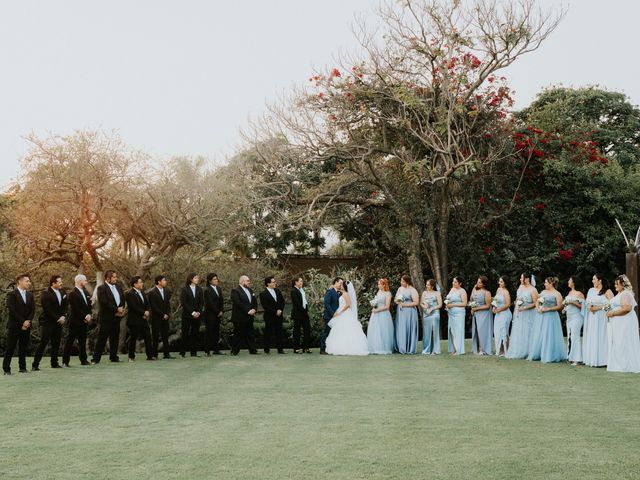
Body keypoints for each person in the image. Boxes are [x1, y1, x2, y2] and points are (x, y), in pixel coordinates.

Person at [527, 277, 567, 363]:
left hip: (551, 316)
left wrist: (548, 309)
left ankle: (549, 354)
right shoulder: (543, 292)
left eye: (546, 283)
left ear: (551, 283)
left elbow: (560, 306)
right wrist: (538, 308)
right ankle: (538, 353)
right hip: (541, 316)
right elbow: (537, 301)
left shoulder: (557, 294)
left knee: (549, 334)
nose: (544, 284)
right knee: (540, 333)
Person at [32, 275, 68, 370]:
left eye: (61, 281)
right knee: (43, 342)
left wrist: (63, 316)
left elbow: (65, 306)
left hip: (59, 322)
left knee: (56, 343)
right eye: (59, 282)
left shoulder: (63, 292)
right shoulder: (45, 293)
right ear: (53, 283)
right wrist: (58, 318)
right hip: (48, 322)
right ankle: (35, 364)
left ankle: (54, 363)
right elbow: (47, 309)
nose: (61, 283)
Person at [606, 274, 640, 373]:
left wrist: (612, 313)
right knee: (619, 342)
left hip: (625, 321)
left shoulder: (625, 294)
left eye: (617, 284)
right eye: (615, 284)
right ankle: (620, 364)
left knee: (624, 341)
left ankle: (627, 365)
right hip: (619, 322)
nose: (615, 285)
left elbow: (627, 308)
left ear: (622, 284)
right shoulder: (619, 294)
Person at [3, 274, 35, 375]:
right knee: (10, 348)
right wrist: (23, 322)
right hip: (14, 326)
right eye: (27, 281)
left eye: (29, 281)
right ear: (19, 282)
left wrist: (28, 321)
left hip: (26, 326)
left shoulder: (30, 295)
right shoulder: (12, 294)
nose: (29, 283)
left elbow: (32, 310)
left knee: (23, 347)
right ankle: (6, 369)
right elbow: (12, 311)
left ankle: (22, 367)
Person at [325, 281, 368, 355]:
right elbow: (334, 291)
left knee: (347, 329)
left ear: (344, 286)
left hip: (345, 313)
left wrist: (341, 311)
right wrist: (331, 287)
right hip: (341, 312)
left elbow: (348, 304)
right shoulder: (342, 293)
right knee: (339, 330)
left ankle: (349, 347)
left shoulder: (345, 294)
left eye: (342, 285)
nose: (340, 286)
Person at [92, 270, 126, 364]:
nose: (116, 278)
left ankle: (114, 357)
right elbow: (104, 302)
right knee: (102, 338)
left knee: (115, 338)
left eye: (116, 277)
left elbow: (122, 298)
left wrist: (121, 309)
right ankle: (96, 359)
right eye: (114, 277)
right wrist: (116, 309)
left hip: (117, 317)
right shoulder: (101, 288)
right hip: (106, 318)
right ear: (108, 278)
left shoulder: (118, 287)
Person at [583, 273, 613, 367]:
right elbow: (588, 304)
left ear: (600, 280)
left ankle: (604, 360)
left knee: (603, 335)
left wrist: (598, 308)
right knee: (593, 335)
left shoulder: (607, 291)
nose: (592, 281)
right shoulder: (591, 290)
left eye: (594, 279)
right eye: (592, 279)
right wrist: (591, 307)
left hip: (603, 317)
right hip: (592, 317)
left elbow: (612, 305)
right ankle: (594, 359)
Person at [62, 274, 93, 367]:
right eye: (85, 281)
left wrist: (89, 315)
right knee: (70, 341)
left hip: (84, 321)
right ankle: (65, 362)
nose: (86, 282)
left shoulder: (85, 292)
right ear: (80, 281)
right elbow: (76, 308)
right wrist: (85, 316)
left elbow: (88, 305)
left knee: (82, 341)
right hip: (75, 321)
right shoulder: (72, 293)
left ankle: (83, 360)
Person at [506, 273, 538, 359]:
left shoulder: (533, 290)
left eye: (522, 278)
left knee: (528, 330)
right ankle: (519, 349)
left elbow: (535, 303)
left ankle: (528, 351)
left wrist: (524, 307)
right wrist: (516, 302)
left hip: (529, 314)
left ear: (527, 279)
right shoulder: (520, 287)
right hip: (519, 313)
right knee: (519, 330)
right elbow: (517, 298)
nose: (520, 279)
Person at [125, 276, 155, 362]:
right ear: (135, 284)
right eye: (140, 282)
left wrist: (147, 312)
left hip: (143, 319)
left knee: (148, 337)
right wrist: (143, 312)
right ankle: (131, 356)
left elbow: (147, 304)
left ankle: (150, 355)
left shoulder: (142, 293)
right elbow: (133, 306)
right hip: (134, 320)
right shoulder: (129, 294)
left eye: (142, 282)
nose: (142, 284)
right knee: (133, 338)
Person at [230, 275, 258, 355]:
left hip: (249, 316)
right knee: (238, 334)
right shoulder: (235, 290)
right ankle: (234, 351)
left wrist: (254, 309)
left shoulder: (250, 290)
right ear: (242, 281)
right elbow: (238, 303)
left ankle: (253, 350)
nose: (249, 282)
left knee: (250, 333)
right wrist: (248, 311)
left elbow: (254, 301)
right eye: (247, 281)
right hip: (239, 317)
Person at [148, 275, 174, 359]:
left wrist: (167, 314)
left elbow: (168, 304)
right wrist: (162, 314)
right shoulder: (152, 292)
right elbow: (153, 306)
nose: (165, 281)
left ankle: (166, 354)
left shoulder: (166, 291)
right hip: (156, 318)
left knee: (165, 336)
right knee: (155, 336)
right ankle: (154, 354)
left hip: (165, 318)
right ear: (158, 282)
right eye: (164, 280)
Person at [259, 276, 286, 354]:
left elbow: (282, 301)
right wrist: (275, 312)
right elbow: (265, 306)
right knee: (268, 333)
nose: (275, 283)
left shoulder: (277, 291)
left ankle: (280, 349)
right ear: (268, 283)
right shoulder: (263, 294)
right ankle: (267, 349)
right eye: (273, 282)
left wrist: (280, 310)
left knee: (279, 332)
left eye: (275, 282)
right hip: (269, 316)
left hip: (279, 315)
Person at [179, 273, 204, 358]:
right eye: (196, 278)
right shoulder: (184, 289)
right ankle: (182, 352)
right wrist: (192, 312)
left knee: (195, 333)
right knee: (185, 333)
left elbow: (201, 302)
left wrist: (198, 312)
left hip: (197, 315)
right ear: (191, 279)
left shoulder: (199, 289)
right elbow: (184, 303)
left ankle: (194, 352)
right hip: (187, 315)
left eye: (197, 278)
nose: (197, 279)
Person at [367, 278, 394, 354]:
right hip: (376, 314)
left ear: (384, 285)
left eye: (379, 284)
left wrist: (377, 310)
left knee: (383, 330)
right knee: (376, 330)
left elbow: (387, 306)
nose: (378, 285)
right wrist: (373, 305)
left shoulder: (388, 293)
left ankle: (384, 348)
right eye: (378, 284)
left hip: (383, 314)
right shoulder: (378, 292)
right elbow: (377, 302)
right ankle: (375, 347)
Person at [394, 275, 419, 354]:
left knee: (408, 327)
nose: (401, 283)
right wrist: (398, 301)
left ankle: (408, 348)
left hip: (409, 312)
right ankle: (400, 347)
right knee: (401, 328)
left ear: (407, 282)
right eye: (401, 281)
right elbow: (395, 299)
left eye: (403, 281)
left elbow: (416, 302)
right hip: (401, 312)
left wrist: (404, 305)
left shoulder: (412, 290)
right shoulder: (400, 289)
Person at [564, 276, 585, 365]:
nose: (568, 281)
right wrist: (564, 308)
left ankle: (577, 359)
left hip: (577, 317)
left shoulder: (579, 294)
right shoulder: (569, 292)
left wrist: (572, 302)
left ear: (574, 282)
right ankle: (570, 357)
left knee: (575, 336)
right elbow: (567, 304)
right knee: (569, 336)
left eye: (570, 280)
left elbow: (583, 307)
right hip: (569, 317)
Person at [470, 275, 493, 355]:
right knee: (476, 330)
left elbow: (487, 306)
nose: (477, 283)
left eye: (480, 282)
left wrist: (476, 309)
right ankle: (477, 348)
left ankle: (483, 349)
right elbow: (472, 300)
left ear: (484, 284)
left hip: (484, 314)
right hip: (476, 314)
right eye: (477, 281)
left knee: (482, 331)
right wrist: (472, 308)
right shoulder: (475, 290)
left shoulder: (487, 293)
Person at [203, 273, 225, 355]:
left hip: (218, 314)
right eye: (214, 279)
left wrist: (221, 311)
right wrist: (217, 311)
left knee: (216, 332)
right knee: (209, 332)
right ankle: (207, 350)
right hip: (210, 315)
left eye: (216, 279)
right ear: (210, 281)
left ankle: (216, 349)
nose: (216, 280)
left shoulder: (218, 289)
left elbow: (221, 301)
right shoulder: (207, 290)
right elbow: (210, 303)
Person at [445, 276, 467, 355]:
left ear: (460, 283)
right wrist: (447, 304)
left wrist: (453, 305)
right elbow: (448, 299)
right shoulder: (452, 289)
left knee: (458, 331)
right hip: (451, 313)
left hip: (459, 313)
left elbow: (464, 303)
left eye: (455, 282)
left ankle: (459, 349)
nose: (453, 283)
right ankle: (454, 348)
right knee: (452, 330)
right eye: (453, 281)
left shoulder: (462, 291)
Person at [320, 277, 343, 355]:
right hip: (329, 316)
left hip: (338, 316)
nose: (341, 285)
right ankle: (322, 349)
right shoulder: (330, 291)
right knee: (326, 332)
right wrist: (332, 313)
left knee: (334, 333)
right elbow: (326, 304)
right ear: (336, 282)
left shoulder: (340, 292)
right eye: (340, 283)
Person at [420, 279, 442, 355]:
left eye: (428, 285)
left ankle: (435, 350)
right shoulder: (424, 293)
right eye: (426, 284)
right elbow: (421, 303)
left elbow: (440, 304)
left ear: (432, 286)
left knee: (434, 331)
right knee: (427, 332)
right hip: (426, 314)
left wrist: (432, 308)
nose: (427, 286)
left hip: (435, 313)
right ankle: (426, 350)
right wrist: (425, 307)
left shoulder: (437, 293)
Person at [492, 276, 512, 356]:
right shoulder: (498, 289)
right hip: (498, 314)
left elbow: (508, 304)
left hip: (505, 314)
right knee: (497, 331)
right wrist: (494, 307)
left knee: (504, 332)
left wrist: (499, 310)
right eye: (499, 281)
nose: (499, 283)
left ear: (505, 283)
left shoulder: (506, 292)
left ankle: (507, 350)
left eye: (501, 282)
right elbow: (495, 301)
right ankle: (500, 349)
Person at [291, 276, 311, 354]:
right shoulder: (293, 291)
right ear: (296, 282)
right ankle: (296, 348)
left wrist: (306, 310)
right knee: (297, 331)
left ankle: (306, 348)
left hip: (304, 314)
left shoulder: (302, 290)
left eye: (302, 281)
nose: (302, 283)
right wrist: (303, 310)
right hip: (297, 314)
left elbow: (304, 301)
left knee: (307, 330)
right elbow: (296, 303)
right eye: (300, 281)